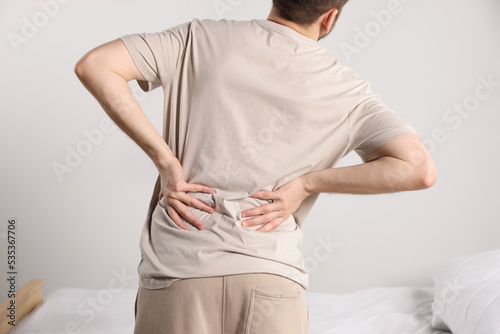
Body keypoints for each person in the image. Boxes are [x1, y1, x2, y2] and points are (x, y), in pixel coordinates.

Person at [74, 0, 437, 332]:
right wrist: (307, 184)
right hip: (272, 281)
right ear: (330, 18)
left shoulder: (199, 38)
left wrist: (165, 160)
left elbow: (95, 65)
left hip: (181, 272)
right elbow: (419, 168)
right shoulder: (348, 91)